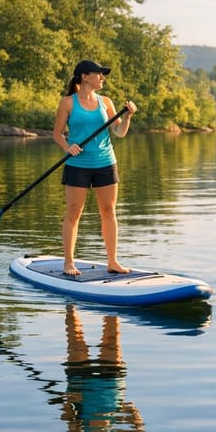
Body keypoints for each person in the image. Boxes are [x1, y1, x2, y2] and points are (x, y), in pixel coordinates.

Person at [53, 60, 137, 276]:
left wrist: (126, 116)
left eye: (103, 74)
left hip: (105, 163)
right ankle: (69, 263)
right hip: (77, 164)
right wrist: (67, 146)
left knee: (109, 212)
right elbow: (57, 134)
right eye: (99, 74)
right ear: (85, 76)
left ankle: (112, 261)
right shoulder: (68, 103)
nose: (102, 77)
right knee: (74, 212)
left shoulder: (106, 102)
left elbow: (119, 132)